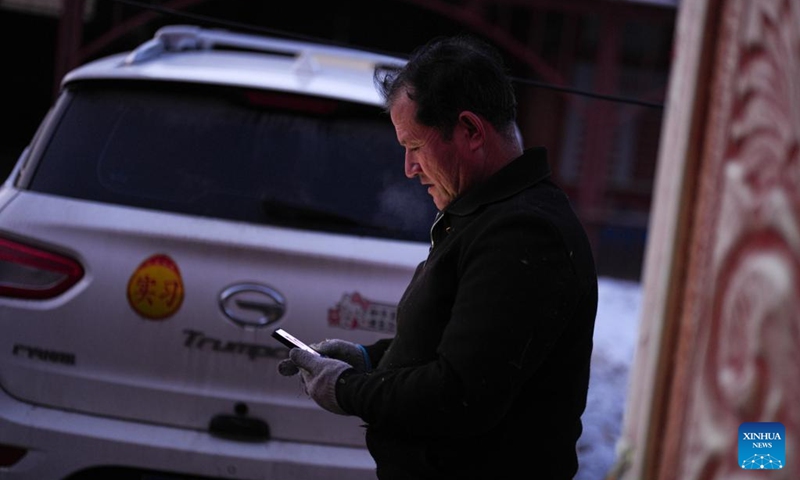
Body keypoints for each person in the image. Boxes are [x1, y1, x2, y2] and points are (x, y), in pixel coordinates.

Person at [278, 34, 598, 480]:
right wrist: (368, 359)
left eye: (414, 147)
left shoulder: (524, 233)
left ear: (470, 131)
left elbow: (460, 394)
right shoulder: (484, 214)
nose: (409, 169)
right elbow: (455, 347)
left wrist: (347, 388)